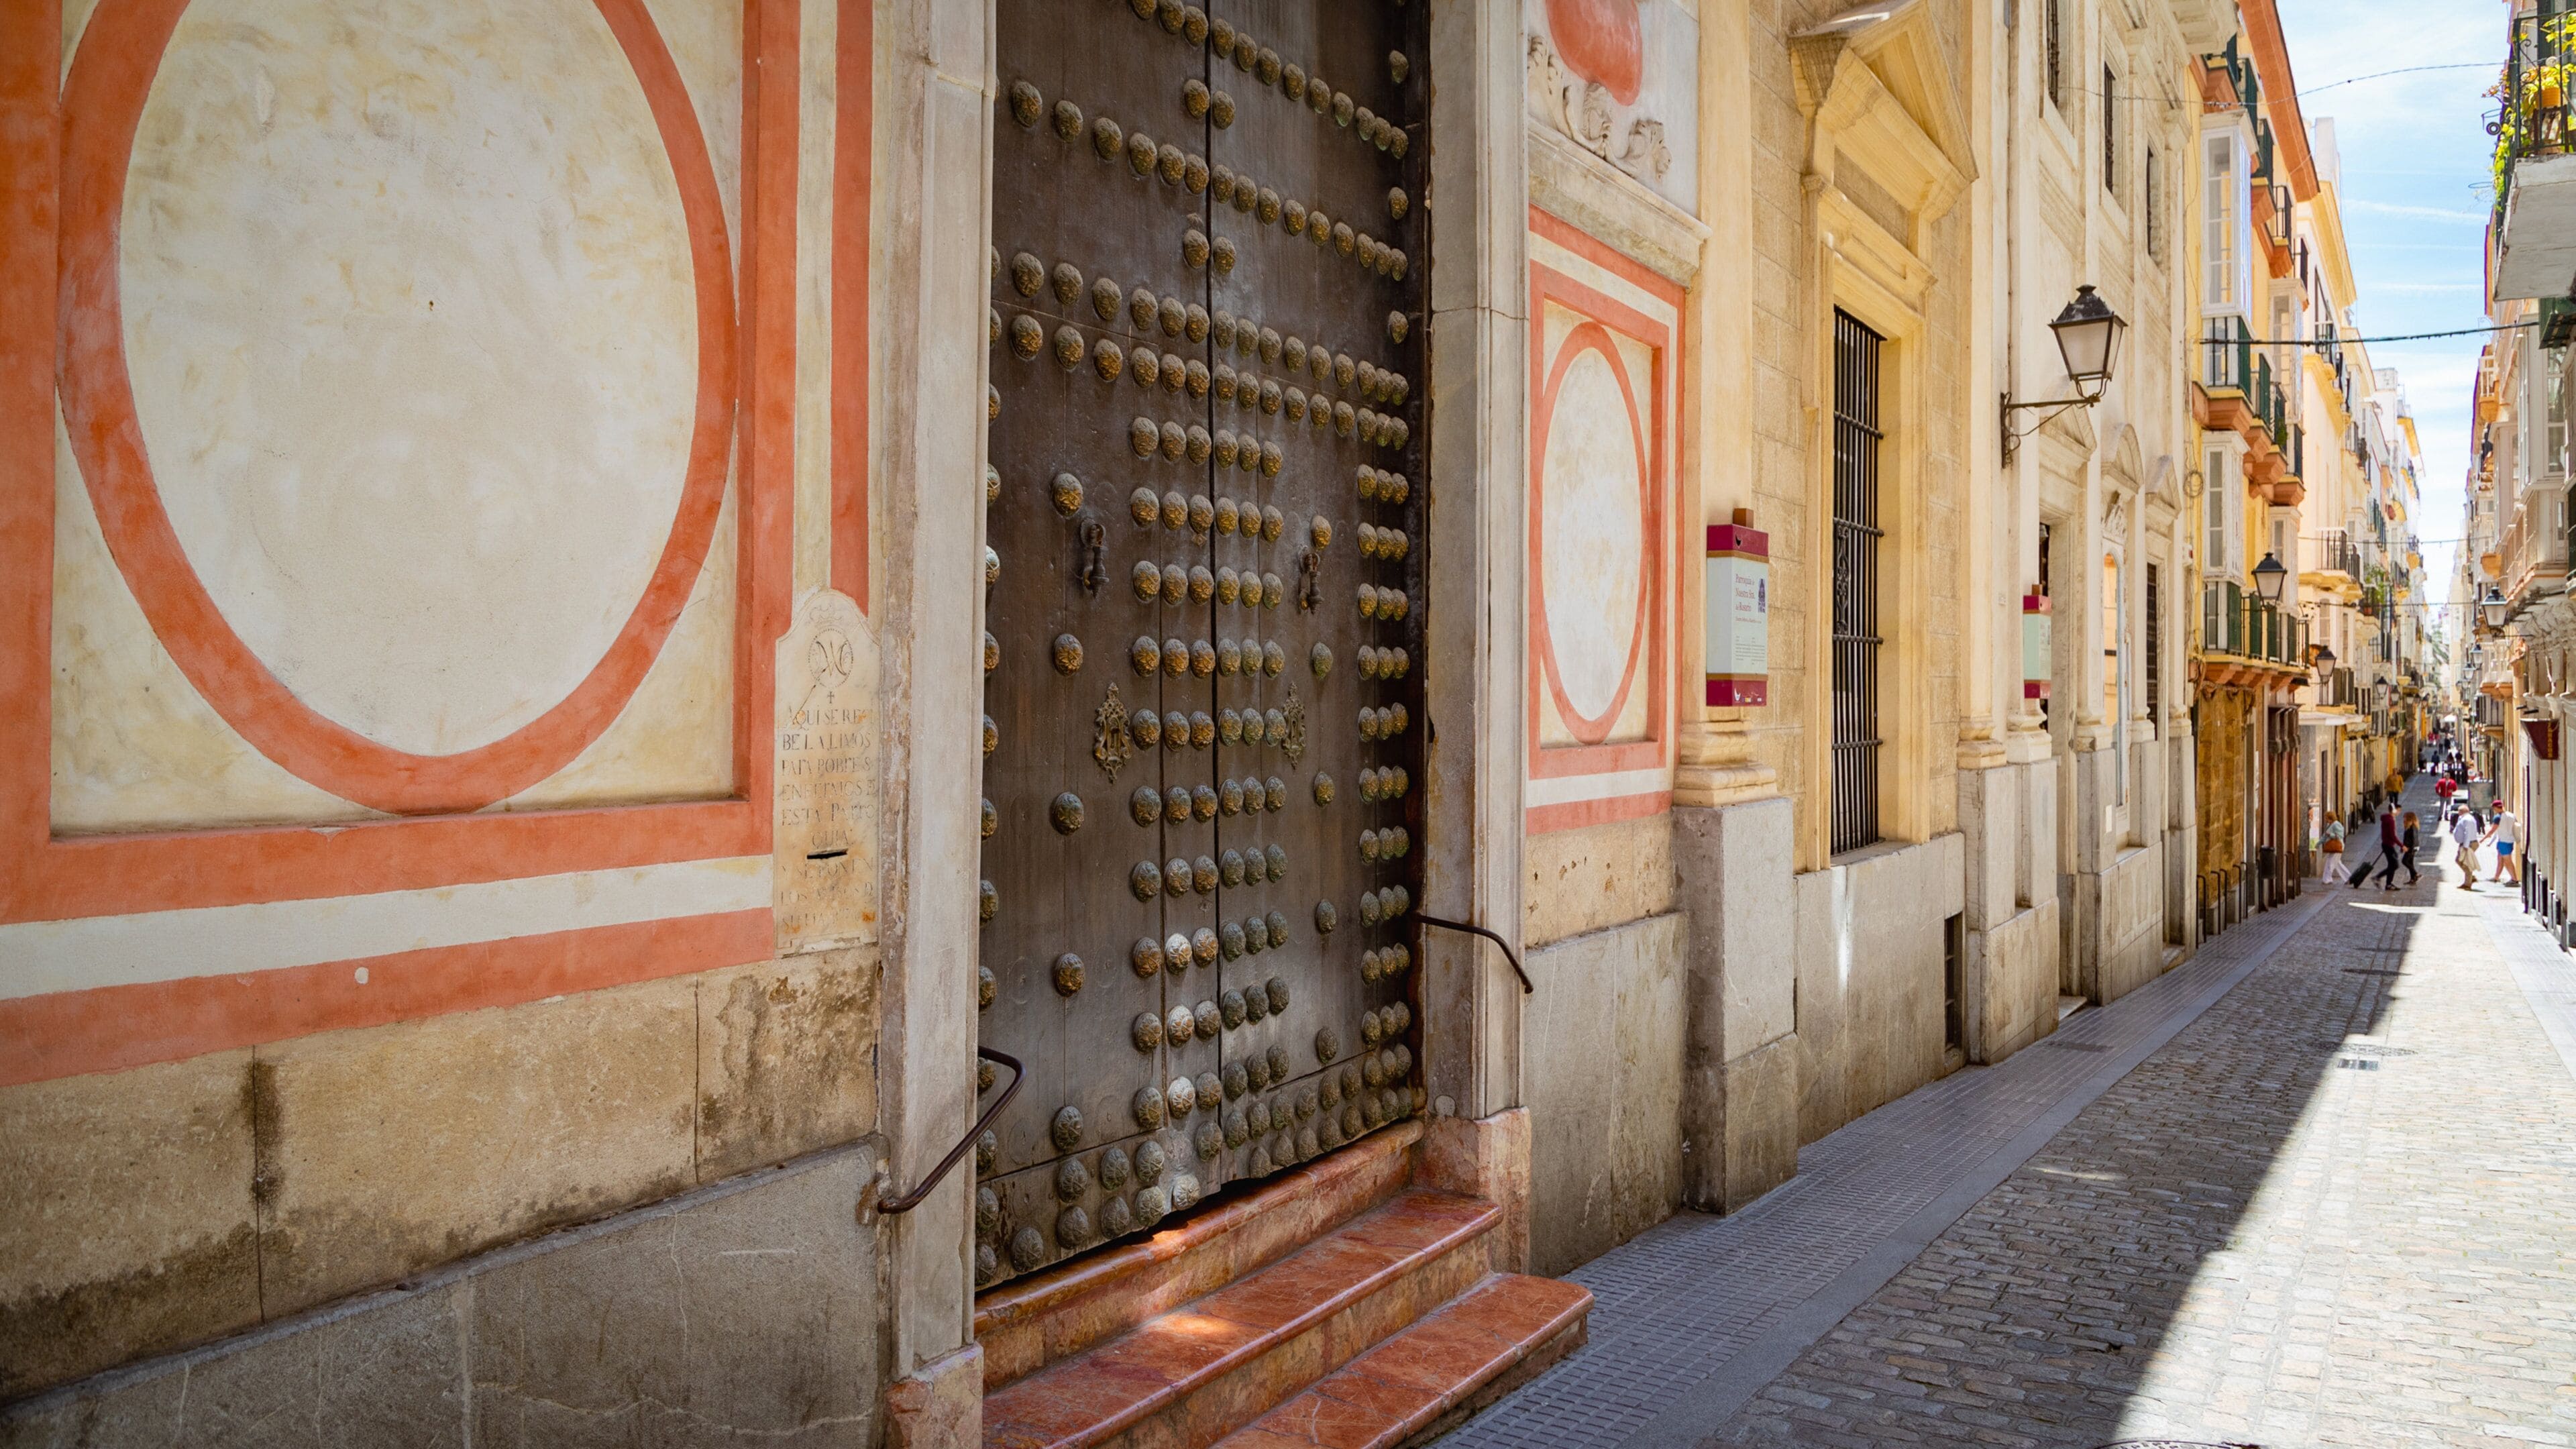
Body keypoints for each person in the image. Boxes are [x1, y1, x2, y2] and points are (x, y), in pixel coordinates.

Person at [2351, 802, 2400, 890]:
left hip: (2386, 844)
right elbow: (2393, 836)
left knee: (2392, 865)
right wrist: (2402, 845)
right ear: (2393, 810)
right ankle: (2378, 878)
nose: (2399, 812)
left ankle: (2388, 884)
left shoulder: (2387, 818)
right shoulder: (2390, 820)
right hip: (2388, 845)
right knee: (2394, 865)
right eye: (2398, 810)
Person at [2378, 810, 2423, 889]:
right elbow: (2407, 839)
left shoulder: (2412, 827)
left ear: (2410, 818)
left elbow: (2414, 839)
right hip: (2409, 848)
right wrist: (2404, 846)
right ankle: (2413, 878)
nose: (2404, 819)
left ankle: (2416, 874)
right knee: (2410, 863)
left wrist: (2409, 848)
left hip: (2411, 848)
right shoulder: (2409, 826)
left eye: (2405, 817)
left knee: (2404, 861)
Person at [2484, 805, 2522, 887]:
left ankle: (2514, 880)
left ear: (2496, 808)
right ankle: (2496, 877)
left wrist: (2483, 839)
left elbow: (2493, 830)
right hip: (2510, 840)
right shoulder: (2511, 815)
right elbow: (2516, 825)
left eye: (2494, 808)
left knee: (2508, 862)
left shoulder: (2498, 817)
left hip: (2503, 841)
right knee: (2500, 860)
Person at [2453, 806, 2485, 890]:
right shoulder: (2465, 818)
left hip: (2469, 844)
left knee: (2463, 861)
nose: (2458, 813)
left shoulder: (2467, 819)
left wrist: (2466, 846)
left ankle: (2468, 883)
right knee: (2461, 861)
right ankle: (2471, 878)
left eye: (2459, 811)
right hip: (2466, 843)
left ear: (2462, 811)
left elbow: (2468, 833)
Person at [2320, 816, 2349, 883]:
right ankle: (2348, 878)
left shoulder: (2336, 824)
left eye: (2327, 818)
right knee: (2337, 863)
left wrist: (2330, 835)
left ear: (2331, 818)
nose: (2326, 820)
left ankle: (2327, 879)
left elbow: (2340, 836)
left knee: (2331, 863)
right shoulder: (2330, 825)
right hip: (2334, 847)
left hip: (2337, 846)